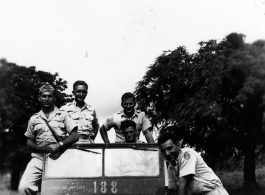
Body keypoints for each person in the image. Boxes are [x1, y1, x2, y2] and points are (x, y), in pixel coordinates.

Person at [19, 84, 79, 195]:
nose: (46, 99)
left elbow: (75, 135)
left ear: (54, 98)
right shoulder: (34, 119)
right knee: (24, 187)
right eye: (44, 96)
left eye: (50, 96)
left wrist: (60, 144)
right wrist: (38, 147)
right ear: (39, 98)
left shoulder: (63, 115)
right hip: (39, 159)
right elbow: (29, 143)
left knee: (56, 190)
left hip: (59, 159)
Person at [157, 132, 229, 195]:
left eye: (169, 148)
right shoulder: (171, 165)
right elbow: (173, 189)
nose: (167, 153)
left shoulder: (187, 155)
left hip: (213, 192)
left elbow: (183, 185)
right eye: (163, 151)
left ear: (178, 145)